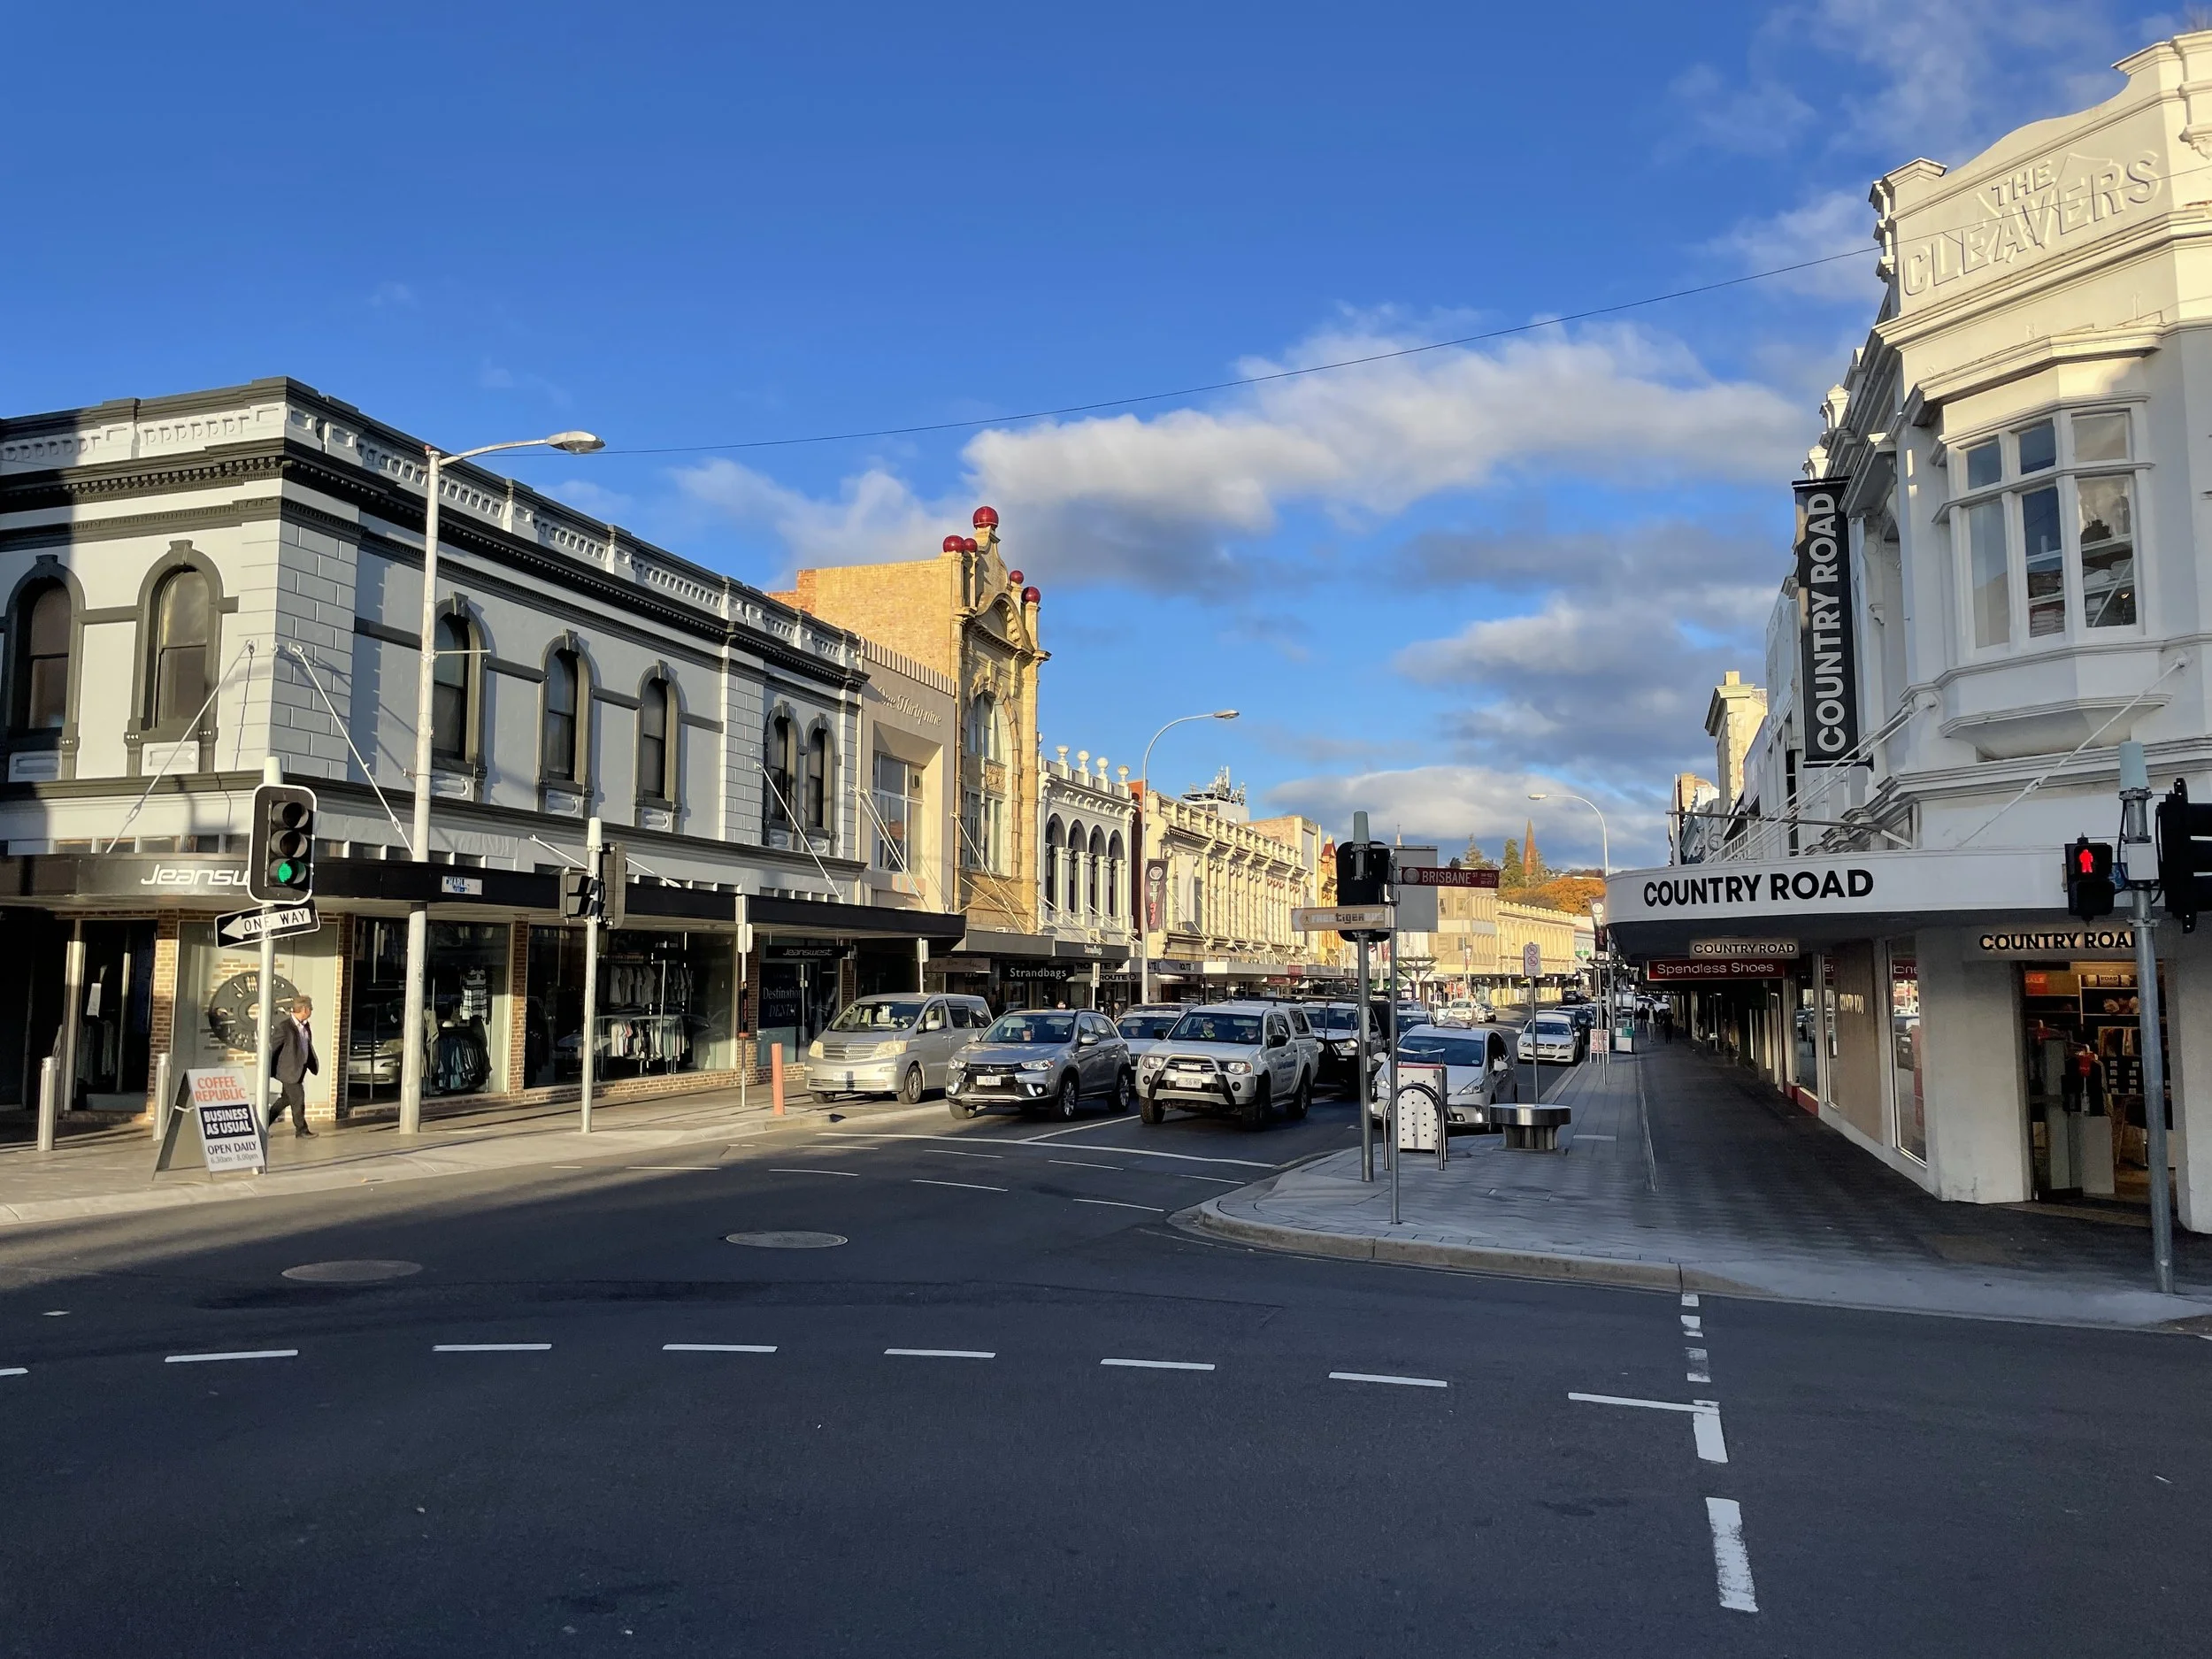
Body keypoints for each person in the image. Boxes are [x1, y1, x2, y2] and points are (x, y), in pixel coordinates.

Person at [267, 994, 319, 1137]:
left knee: (286, 1100)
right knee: (298, 1098)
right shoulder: (285, 1027)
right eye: (310, 1009)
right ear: (304, 1009)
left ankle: (262, 1125)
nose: (311, 1012)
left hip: (299, 1069)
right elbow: (273, 1048)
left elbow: (306, 1046)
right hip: (287, 1071)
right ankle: (301, 1130)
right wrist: (268, 1069)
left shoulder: (305, 1027)